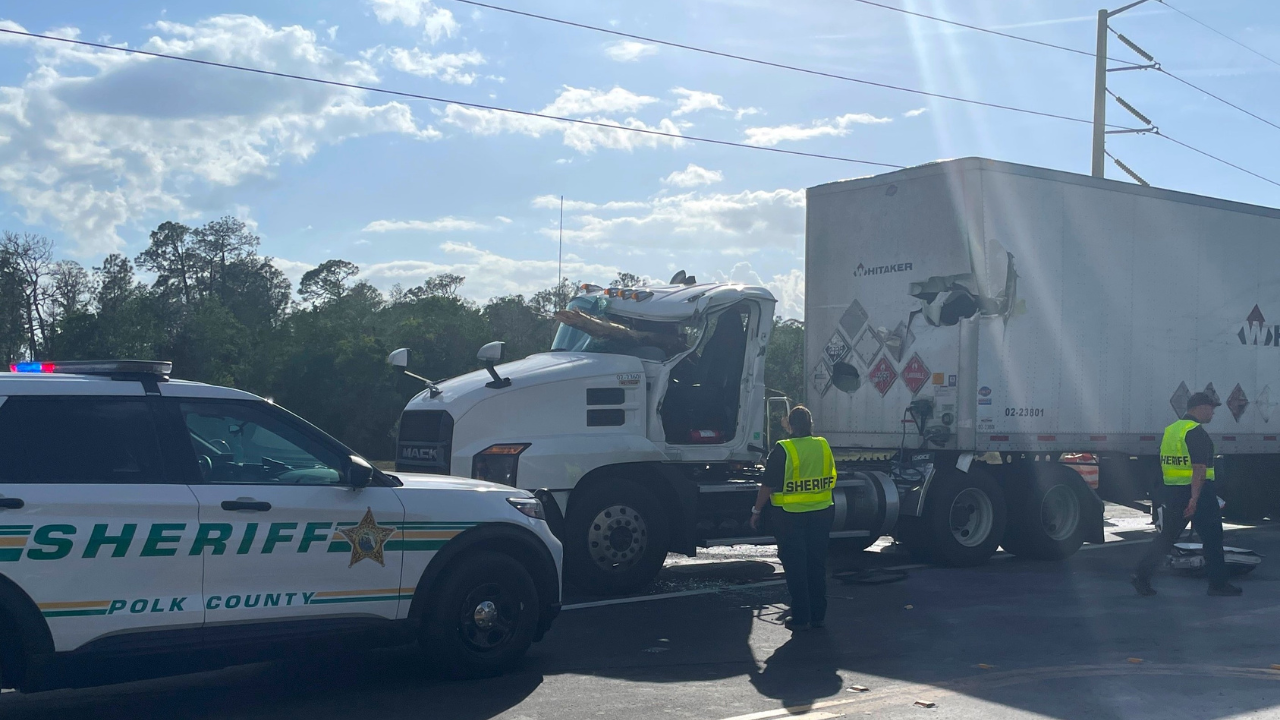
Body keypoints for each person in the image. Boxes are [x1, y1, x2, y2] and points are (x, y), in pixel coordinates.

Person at [1131, 392, 1241, 596]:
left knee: (1168, 536)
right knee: (1213, 538)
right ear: (1199, 407)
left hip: (1174, 490)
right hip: (1197, 492)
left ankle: (1141, 575)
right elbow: (1199, 468)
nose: (1213, 413)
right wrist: (1195, 498)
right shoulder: (1196, 432)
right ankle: (1218, 585)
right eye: (1212, 408)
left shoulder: (1172, 430)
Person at [749, 405, 837, 631]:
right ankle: (818, 615)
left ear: (791, 425)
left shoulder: (783, 449)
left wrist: (756, 511)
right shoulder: (823, 445)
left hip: (790, 517)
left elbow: (767, 485)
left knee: (797, 566)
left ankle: (800, 617)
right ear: (810, 425)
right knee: (816, 564)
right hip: (822, 511)